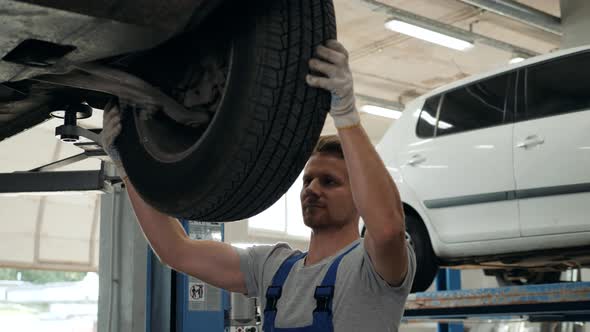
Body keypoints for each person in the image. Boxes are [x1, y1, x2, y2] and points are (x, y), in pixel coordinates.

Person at [101, 39, 415, 331]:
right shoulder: (272, 267)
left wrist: (346, 116)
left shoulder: (371, 268)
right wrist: (128, 168)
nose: (312, 189)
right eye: (308, 180)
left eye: (330, 182)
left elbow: (387, 228)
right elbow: (175, 251)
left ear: (360, 196)